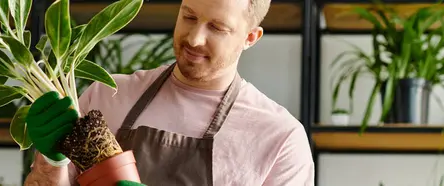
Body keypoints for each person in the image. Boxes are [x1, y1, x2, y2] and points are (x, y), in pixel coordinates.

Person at [23, 0, 315, 184]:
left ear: (251, 37)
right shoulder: (108, 94)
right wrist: (51, 162)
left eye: (216, 27)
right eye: (189, 16)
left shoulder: (279, 138)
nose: (195, 38)